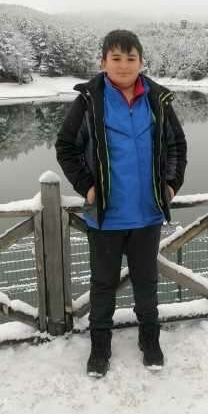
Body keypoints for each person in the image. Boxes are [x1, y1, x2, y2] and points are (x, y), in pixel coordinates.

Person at [55, 29, 187, 377]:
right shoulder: (89, 101)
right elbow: (66, 147)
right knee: (103, 285)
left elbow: (176, 144)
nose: (124, 65)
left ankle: (150, 339)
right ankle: (100, 346)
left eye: (131, 58)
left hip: (148, 213)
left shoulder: (157, 99)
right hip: (105, 215)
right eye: (116, 58)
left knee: (146, 282)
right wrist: (87, 187)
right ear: (103, 62)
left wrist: (171, 184)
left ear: (141, 62)